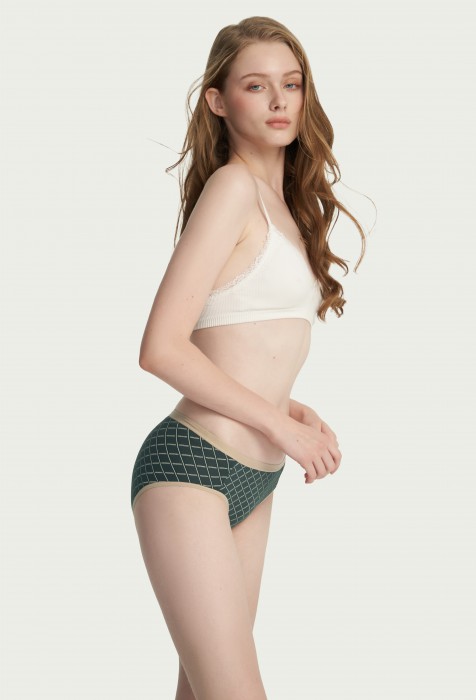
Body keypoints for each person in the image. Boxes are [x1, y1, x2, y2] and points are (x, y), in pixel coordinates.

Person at [130, 16, 367, 700]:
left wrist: (291, 408)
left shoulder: (288, 205)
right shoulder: (231, 189)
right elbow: (161, 348)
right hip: (192, 469)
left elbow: (237, 346)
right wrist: (280, 426)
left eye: (291, 84)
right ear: (218, 100)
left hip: (254, 480)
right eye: (256, 86)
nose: (279, 100)